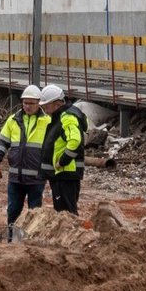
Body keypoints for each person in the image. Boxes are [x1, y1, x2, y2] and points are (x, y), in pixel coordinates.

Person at [0, 84, 50, 241]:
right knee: (13, 211)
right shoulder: (13, 120)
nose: (28, 106)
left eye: (31, 103)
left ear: (39, 103)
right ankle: (12, 240)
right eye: (25, 103)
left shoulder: (47, 121)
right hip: (15, 177)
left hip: (36, 177)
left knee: (34, 213)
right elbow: (2, 142)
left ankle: (31, 241)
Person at [38, 84, 87, 214]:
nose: (44, 109)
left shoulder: (67, 117)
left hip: (66, 174)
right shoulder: (60, 117)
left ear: (57, 104)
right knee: (63, 210)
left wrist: (62, 161)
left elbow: (75, 141)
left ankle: (72, 228)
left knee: (66, 212)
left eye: (46, 106)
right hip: (62, 174)